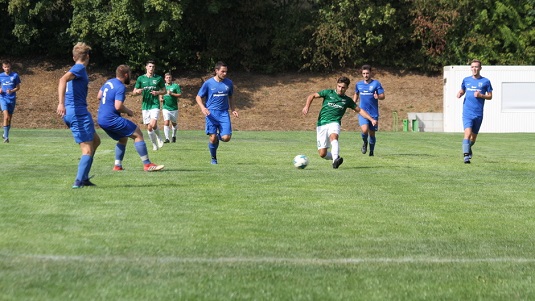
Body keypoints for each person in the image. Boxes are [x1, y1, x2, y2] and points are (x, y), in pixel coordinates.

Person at [97, 65, 164, 172]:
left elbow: (99, 96)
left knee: (123, 138)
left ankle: (117, 165)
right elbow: (118, 106)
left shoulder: (108, 82)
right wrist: (128, 111)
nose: (131, 76)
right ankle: (147, 164)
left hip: (101, 118)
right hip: (111, 119)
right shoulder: (120, 86)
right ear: (126, 75)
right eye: (130, 74)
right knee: (138, 134)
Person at [302, 76, 377, 169]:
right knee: (322, 154)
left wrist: (371, 119)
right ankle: (335, 156)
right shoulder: (328, 93)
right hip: (321, 124)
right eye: (339, 86)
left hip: (334, 122)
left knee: (334, 137)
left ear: (346, 88)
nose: (340, 89)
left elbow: (360, 110)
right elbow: (312, 95)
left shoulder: (347, 100)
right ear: (336, 85)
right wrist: (306, 106)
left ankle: (335, 161)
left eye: (343, 87)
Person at [57, 42, 101, 188]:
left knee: (95, 141)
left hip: (75, 112)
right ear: (88, 56)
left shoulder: (75, 68)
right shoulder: (79, 68)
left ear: (74, 56)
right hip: (77, 113)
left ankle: (85, 178)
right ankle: (78, 181)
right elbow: (62, 79)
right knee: (87, 150)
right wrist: (60, 103)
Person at [195, 61, 238, 164]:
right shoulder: (208, 83)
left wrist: (233, 109)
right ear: (216, 71)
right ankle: (214, 158)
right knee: (213, 138)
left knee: (226, 138)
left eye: (226, 72)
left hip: (224, 113)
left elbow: (231, 97)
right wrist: (203, 108)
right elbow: (198, 97)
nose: (225, 73)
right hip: (211, 114)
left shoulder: (229, 83)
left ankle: (218, 137)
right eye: (222, 71)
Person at [456, 59, 493, 164]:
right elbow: (463, 89)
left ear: (480, 68)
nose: (474, 69)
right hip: (467, 112)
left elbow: (490, 96)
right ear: (470, 68)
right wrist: (460, 93)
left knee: (473, 139)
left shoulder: (486, 81)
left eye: (476, 67)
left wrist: (481, 95)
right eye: (472, 67)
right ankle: (466, 157)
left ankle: (467, 147)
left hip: (478, 113)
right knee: (467, 134)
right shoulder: (466, 80)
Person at [132, 60, 166, 151]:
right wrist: (137, 91)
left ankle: (159, 138)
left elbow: (164, 91)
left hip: (155, 104)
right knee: (149, 127)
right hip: (145, 106)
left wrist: (157, 92)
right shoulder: (140, 79)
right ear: (146, 67)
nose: (151, 68)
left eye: (153, 67)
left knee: (152, 124)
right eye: (150, 66)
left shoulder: (158, 78)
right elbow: (134, 92)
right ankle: (154, 144)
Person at [352, 64, 385, 156]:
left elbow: (383, 96)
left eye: (367, 73)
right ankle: (365, 142)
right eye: (364, 73)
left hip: (373, 113)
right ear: (362, 74)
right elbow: (356, 94)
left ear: (371, 73)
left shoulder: (376, 84)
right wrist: (353, 104)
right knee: (365, 130)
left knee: (372, 134)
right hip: (362, 112)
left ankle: (371, 152)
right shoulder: (359, 84)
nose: (366, 75)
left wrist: (378, 96)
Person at [0, 60, 22, 143]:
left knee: (9, 118)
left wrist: (12, 91)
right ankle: (6, 137)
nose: (7, 68)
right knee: (5, 117)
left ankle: (5, 134)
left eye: (8, 67)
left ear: (10, 67)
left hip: (12, 99)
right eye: (5, 67)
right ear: (3, 67)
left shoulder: (15, 75)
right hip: (3, 98)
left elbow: (18, 87)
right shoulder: (0, 76)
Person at [159, 72, 182, 143]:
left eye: (169, 78)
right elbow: (160, 94)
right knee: (166, 122)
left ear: (171, 78)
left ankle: (174, 136)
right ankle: (167, 139)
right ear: (165, 79)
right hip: (165, 108)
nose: (168, 79)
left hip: (174, 108)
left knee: (174, 123)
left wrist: (172, 93)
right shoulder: (163, 87)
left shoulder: (175, 86)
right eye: (167, 78)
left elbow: (179, 95)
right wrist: (160, 99)